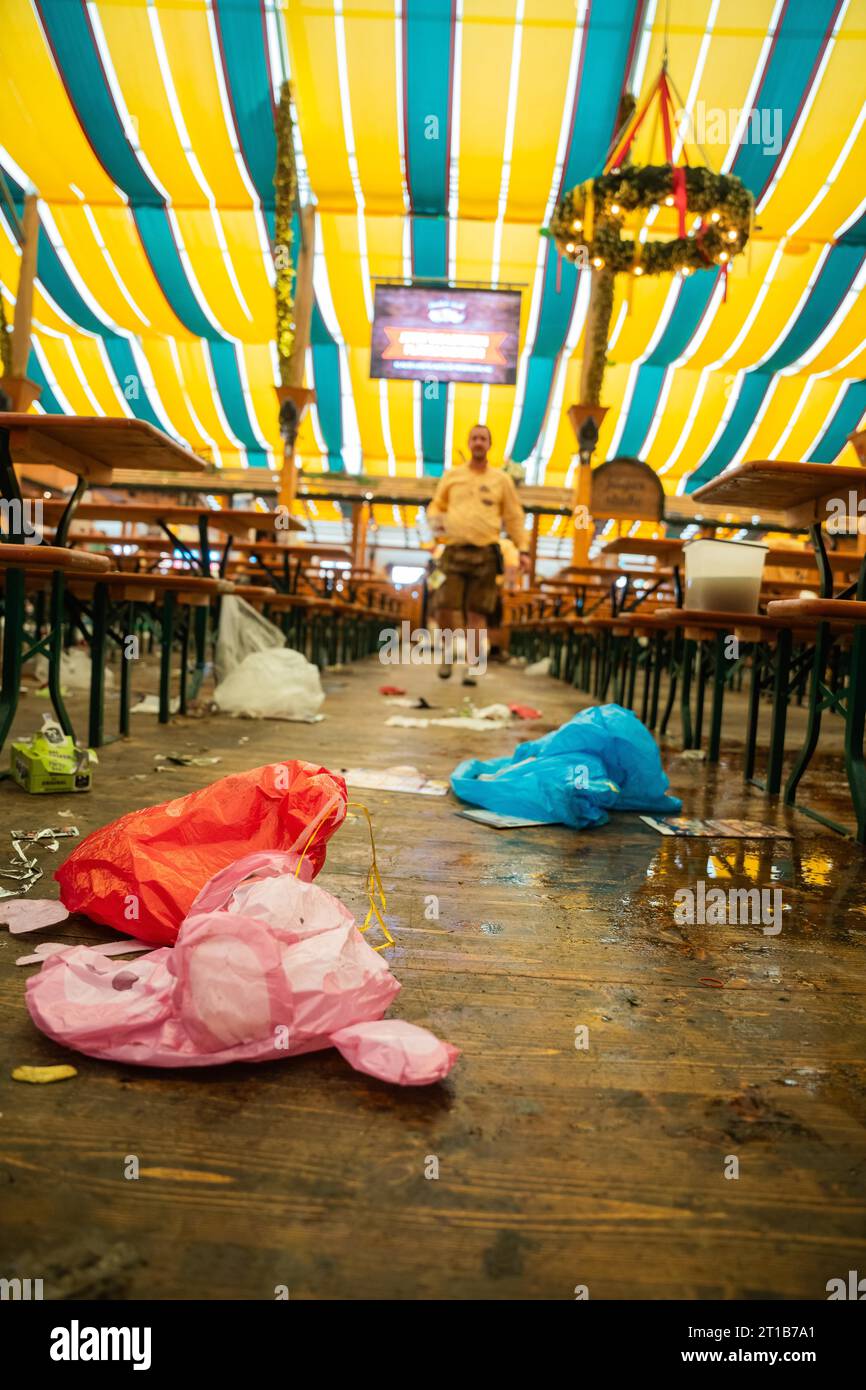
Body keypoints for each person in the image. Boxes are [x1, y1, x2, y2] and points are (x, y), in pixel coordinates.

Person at [426, 423, 530, 684]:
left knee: (477, 614)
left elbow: (514, 517)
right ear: (469, 442)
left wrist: (524, 550)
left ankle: (472, 666)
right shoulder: (452, 476)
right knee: (445, 608)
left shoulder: (501, 480)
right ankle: (448, 654)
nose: (478, 442)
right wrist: (435, 522)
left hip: (485, 553)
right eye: (474, 438)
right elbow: (437, 504)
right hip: (453, 549)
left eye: (483, 438)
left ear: (489, 444)